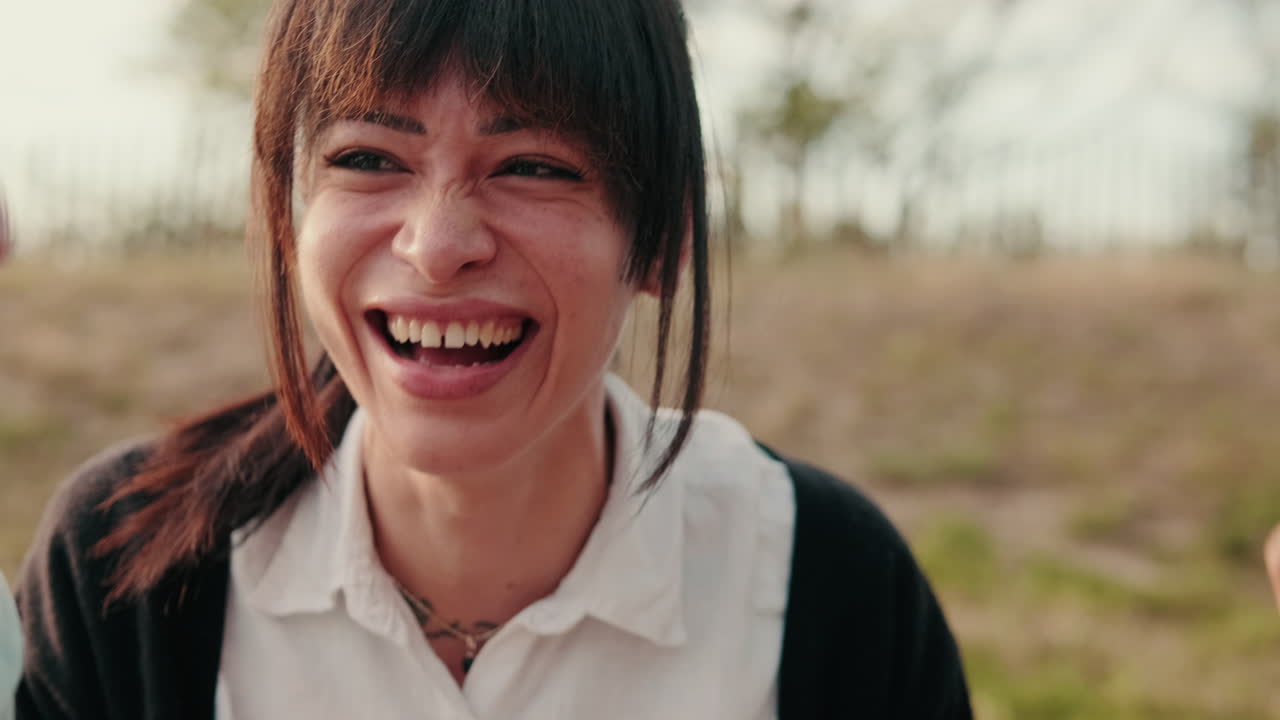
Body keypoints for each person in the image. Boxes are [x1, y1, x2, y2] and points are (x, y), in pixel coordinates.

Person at [15, 1, 971, 718]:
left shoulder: (831, 587)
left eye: (535, 166)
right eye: (366, 158)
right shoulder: (127, 572)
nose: (437, 245)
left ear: (666, 237)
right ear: (284, 209)